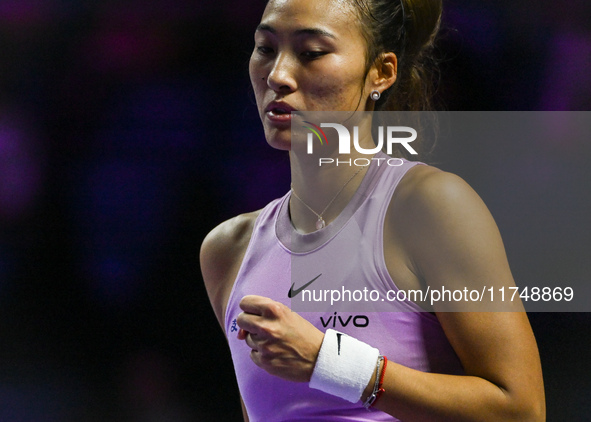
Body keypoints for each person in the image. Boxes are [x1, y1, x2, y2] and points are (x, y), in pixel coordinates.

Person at [200, 0, 546, 420]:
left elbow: (522, 410)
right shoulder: (227, 251)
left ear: (381, 72)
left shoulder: (430, 207)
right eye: (266, 48)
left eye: (311, 53)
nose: (278, 75)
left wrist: (330, 363)